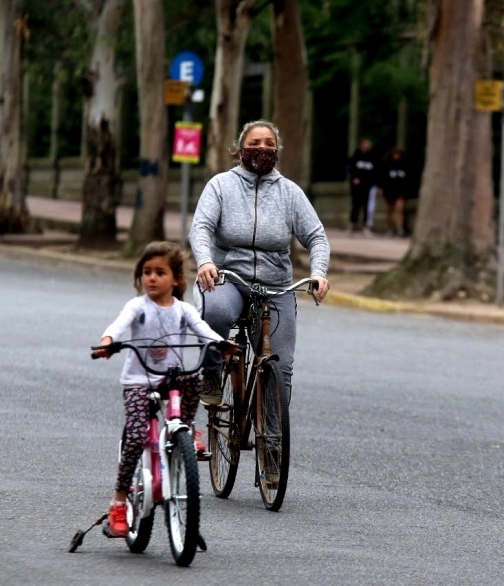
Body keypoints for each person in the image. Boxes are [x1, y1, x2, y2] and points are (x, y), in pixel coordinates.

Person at [93, 241, 235, 538]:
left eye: (160, 272)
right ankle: (119, 504)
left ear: (176, 280)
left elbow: (203, 330)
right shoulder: (137, 306)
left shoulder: (183, 310)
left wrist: (221, 343)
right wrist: (108, 342)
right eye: (146, 272)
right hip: (139, 382)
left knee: (193, 379)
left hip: (171, 377)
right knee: (134, 436)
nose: (152, 278)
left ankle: (186, 428)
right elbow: (118, 326)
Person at [190, 119, 331, 408]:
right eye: (254, 143)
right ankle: (212, 372)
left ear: (277, 150)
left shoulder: (290, 192)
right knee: (214, 310)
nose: (262, 148)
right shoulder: (220, 186)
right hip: (228, 279)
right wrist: (205, 262)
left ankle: (273, 443)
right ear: (240, 149)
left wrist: (319, 273)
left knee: (281, 367)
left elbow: (317, 237)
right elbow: (201, 228)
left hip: (275, 287)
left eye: (269, 143)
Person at [346, 138, 378, 237]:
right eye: (364, 144)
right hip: (357, 187)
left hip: (368, 186)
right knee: (356, 205)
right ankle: (352, 224)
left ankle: (366, 227)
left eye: (368, 144)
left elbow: (376, 171)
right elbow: (350, 170)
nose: (366, 146)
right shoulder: (355, 156)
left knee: (367, 207)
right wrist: (353, 179)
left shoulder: (373, 158)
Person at [378, 147, 410, 237]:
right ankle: (389, 228)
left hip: (400, 191)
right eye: (395, 154)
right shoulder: (387, 165)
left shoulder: (404, 165)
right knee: (389, 211)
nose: (396, 156)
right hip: (389, 191)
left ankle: (400, 229)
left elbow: (408, 179)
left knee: (399, 210)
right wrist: (381, 188)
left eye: (398, 154)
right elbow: (382, 178)